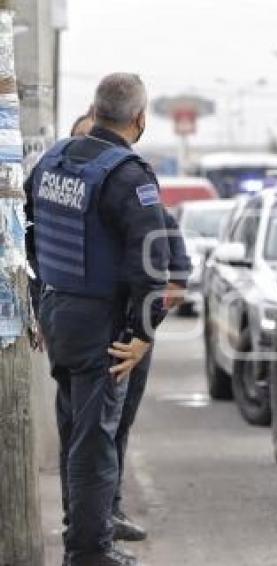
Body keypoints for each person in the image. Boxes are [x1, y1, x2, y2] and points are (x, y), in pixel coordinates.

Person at [25, 73, 171, 566]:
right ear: (139, 119)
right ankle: (88, 552)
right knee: (96, 443)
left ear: (94, 107)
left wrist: (40, 300)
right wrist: (142, 337)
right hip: (101, 326)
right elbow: (151, 266)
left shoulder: (54, 160)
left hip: (59, 312)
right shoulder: (128, 176)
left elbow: (26, 230)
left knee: (77, 433)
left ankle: (82, 539)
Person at [67, 107, 191, 544]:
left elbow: (170, 257)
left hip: (128, 330)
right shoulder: (73, 194)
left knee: (112, 429)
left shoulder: (131, 187)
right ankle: (85, 528)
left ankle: (105, 514)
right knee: (87, 431)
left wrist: (148, 322)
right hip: (95, 326)